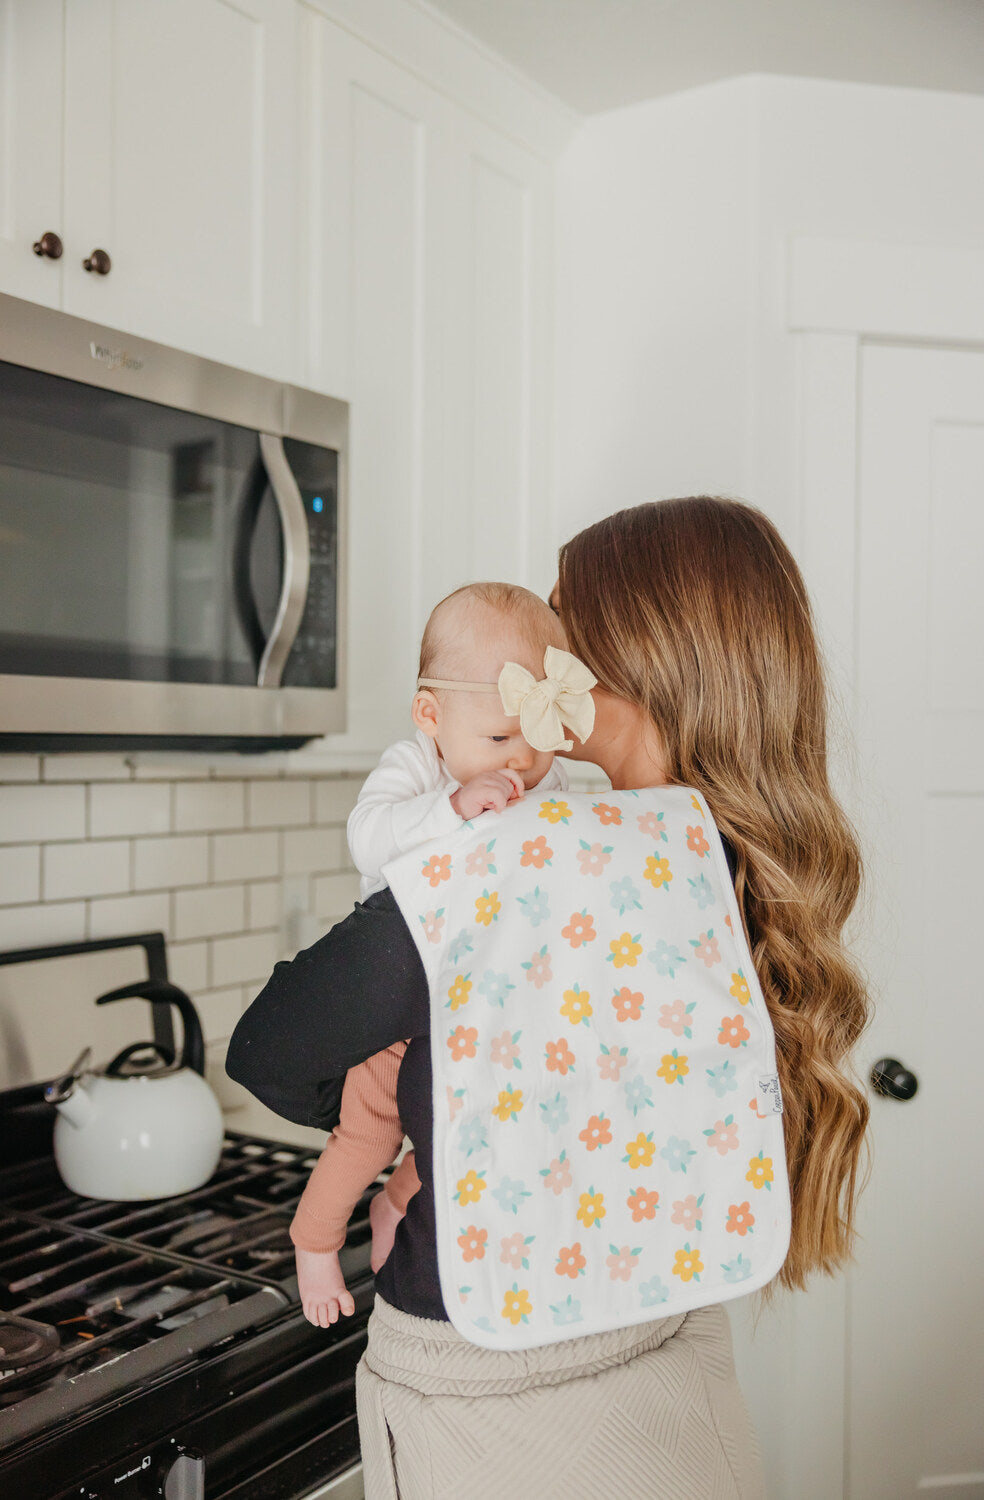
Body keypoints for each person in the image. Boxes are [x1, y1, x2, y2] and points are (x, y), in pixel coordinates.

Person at [227, 497, 870, 1499]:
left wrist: (402, 1107)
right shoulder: (735, 869)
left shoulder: (496, 873)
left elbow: (268, 1051)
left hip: (499, 1403)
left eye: (554, 642)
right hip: (680, 1371)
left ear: (613, 676)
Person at [291, 582, 582, 1329]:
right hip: (403, 996)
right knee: (371, 1130)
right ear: (431, 716)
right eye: (498, 741)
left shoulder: (550, 776)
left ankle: (396, 1205)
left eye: (540, 738)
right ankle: (315, 1240)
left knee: (472, 1123)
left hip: (487, 1000)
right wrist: (452, 808)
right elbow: (368, 837)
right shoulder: (414, 769)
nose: (523, 760)